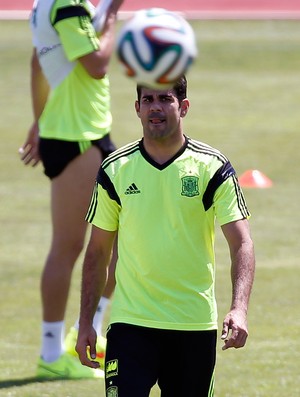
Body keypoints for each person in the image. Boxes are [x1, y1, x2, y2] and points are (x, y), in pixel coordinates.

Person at [75, 75, 256, 396]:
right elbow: (97, 252)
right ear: (137, 108)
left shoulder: (212, 167)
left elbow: (241, 242)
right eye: (148, 100)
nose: (155, 108)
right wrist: (85, 322)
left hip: (193, 326)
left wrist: (239, 308)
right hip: (131, 325)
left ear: (183, 107)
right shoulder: (115, 169)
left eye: (165, 100)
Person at [19, 0, 123, 379]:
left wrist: (39, 120)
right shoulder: (68, 3)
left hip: (79, 133)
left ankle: (84, 335)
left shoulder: (47, 2)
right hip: (79, 138)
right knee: (70, 248)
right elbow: (97, 65)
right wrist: (111, 16)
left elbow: (38, 62)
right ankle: (51, 353)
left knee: (114, 244)